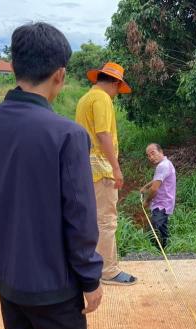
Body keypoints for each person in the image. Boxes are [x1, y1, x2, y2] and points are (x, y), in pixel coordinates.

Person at [0, 22, 103, 329]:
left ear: (15, 67)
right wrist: (91, 278)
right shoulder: (67, 136)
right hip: (53, 286)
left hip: (5, 278)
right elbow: (80, 218)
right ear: (59, 74)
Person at [75, 62, 137, 286]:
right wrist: (116, 168)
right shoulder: (102, 99)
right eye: (118, 89)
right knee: (107, 220)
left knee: (91, 219)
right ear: (115, 82)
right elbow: (103, 135)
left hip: (85, 166)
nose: (117, 94)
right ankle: (108, 271)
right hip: (101, 168)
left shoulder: (86, 98)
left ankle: (90, 264)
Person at [140, 143, 176, 249]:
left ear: (161, 152)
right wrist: (145, 186)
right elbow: (158, 179)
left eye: (153, 153)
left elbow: (154, 188)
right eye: (148, 155)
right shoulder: (167, 163)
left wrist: (147, 201)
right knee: (159, 229)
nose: (151, 157)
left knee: (156, 232)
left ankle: (161, 252)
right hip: (165, 204)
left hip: (161, 205)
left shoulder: (162, 166)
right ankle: (164, 250)